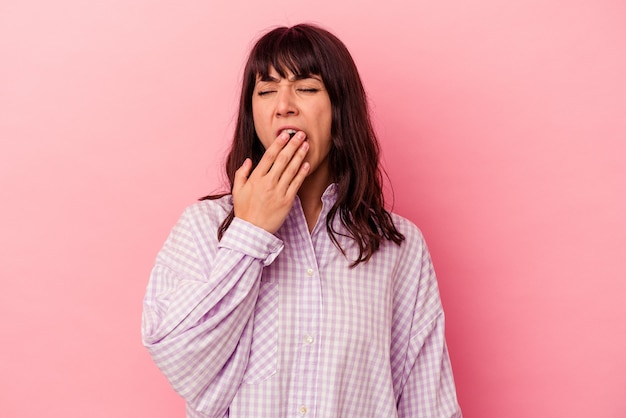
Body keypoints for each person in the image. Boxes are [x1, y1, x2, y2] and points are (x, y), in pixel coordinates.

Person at [142, 23, 462, 418]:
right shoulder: (204, 227)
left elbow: (428, 403)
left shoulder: (398, 247)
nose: (284, 105)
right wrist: (250, 232)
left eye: (306, 88)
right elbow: (181, 362)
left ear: (340, 109)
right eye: (266, 91)